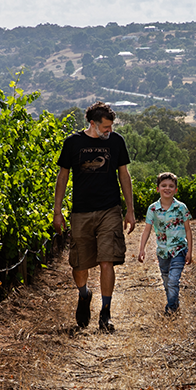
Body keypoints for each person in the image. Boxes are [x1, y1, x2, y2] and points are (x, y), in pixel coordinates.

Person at [54, 102, 136, 331]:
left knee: (106, 260)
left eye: (111, 127)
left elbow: (124, 175)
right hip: (80, 211)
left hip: (109, 209)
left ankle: (106, 313)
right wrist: (57, 211)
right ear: (93, 123)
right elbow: (62, 178)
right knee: (79, 263)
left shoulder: (117, 142)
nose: (109, 131)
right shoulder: (73, 143)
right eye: (106, 127)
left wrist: (130, 209)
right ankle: (84, 294)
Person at [137, 172, 194, 315]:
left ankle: (171, 309)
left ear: (176, 189)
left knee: (173, 280)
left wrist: (190, 251)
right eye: (163, 186)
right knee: (167, 281)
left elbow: (188, 230)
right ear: (158, 189)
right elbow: (147, 230)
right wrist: (141, 249)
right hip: (162, 251)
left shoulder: (181, 207)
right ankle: (174, 303)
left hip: (179, 249)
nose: (167, 188)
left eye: (171, 186)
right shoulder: (153, 209)